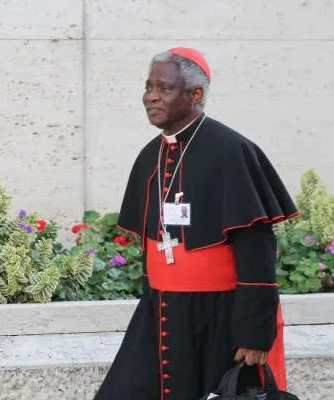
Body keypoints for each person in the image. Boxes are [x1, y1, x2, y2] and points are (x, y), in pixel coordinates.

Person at [94, 48, 298, 400]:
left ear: (196, 94)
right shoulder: (149, 156)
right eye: (148, 87)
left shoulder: (232, 151)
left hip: (218, 316)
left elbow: (257, 246)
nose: (151, 96)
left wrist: (253, 332)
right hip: (160, 312)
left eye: (164, 88)